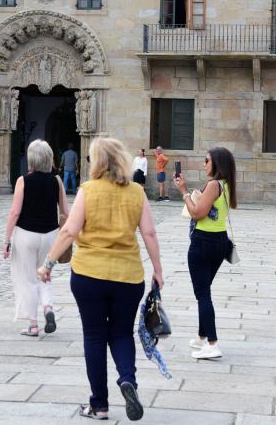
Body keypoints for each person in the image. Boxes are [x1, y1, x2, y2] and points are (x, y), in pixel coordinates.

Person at [38, 137, 164, 422]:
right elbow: (150, 234)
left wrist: (48, 264)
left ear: (97, 162)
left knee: (94, 336)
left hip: (89, 275)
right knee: (121, 333)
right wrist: (158, 270)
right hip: (128, 276)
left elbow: (69, 231)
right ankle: (127, 378)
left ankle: (99, 405)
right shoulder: (136, 192)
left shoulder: (88, 190)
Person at [174, 147, 237, 360]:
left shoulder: (213, 184)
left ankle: (212, 342)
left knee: (202, 293)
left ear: (216, 163)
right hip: (220, 241)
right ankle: (202, 336)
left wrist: (183, 191)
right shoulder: (226, 184)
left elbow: (197, 213)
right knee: (204, 290)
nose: (204, 164)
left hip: (203, 242)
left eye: (206, 160)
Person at [3, 140, 70, 337]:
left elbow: (15, 212)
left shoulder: (23, 181)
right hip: (50, 235)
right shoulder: (56, 180)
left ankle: (33, 325)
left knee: (28, 279)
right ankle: (48, 308)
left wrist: (6, 239)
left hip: (26, 234)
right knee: (45, 274)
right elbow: (66, 211)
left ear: (31, 160)